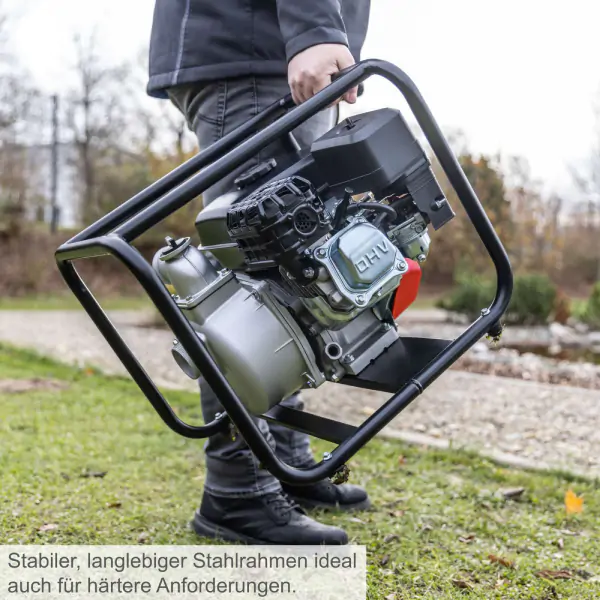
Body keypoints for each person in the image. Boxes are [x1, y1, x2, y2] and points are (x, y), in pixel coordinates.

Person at [148, 0, 372, 545]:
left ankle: (282, 463)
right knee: (255, 286)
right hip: (257, 45)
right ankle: (238, 489)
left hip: (260, 48)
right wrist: (314, 30)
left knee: (284, 284)